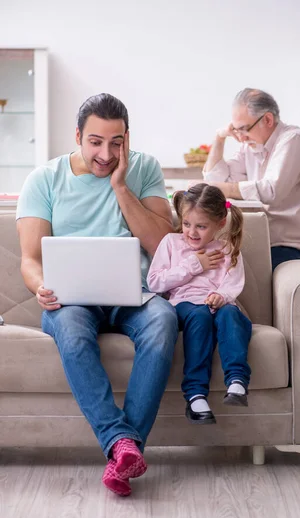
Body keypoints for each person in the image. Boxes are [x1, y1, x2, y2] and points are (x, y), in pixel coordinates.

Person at [16, 93, 178, 497]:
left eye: (116, 143)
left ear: (127, 138)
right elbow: (30, 259)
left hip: (134, 296)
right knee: (70, 327)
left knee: (164, 319)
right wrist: (41, 287)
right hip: (71, 300)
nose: (106, 154)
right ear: (77, 136)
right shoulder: (44, 179)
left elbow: (162, 245)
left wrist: (121, 187)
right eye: (95, 142)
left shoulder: (143, 169)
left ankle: (122, 451)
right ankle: (123, 445)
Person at [147, 183, 252, 425]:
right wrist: (194, 265)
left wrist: (222, 296)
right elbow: (155, 282)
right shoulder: (171, 243)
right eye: (186, 224)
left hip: (218, 304)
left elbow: (233, 283)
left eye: (201, 227)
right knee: (201, 316)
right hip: (186, 306)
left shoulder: (226, 248)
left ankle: (237, 382)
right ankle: (195, 395)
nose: (192, 232)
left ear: (220, 223)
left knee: (231, 315)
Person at [203, 88, 300, 271]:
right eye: (236, 130)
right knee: (215, 258)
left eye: (244, 129)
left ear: (267, 120)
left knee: (228, 266)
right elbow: (217, 178)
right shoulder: (251, 146)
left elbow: (271, 191)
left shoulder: (294, 140)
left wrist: (217, 188)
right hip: (273, 242)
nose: (240, 137)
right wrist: (219, 138)